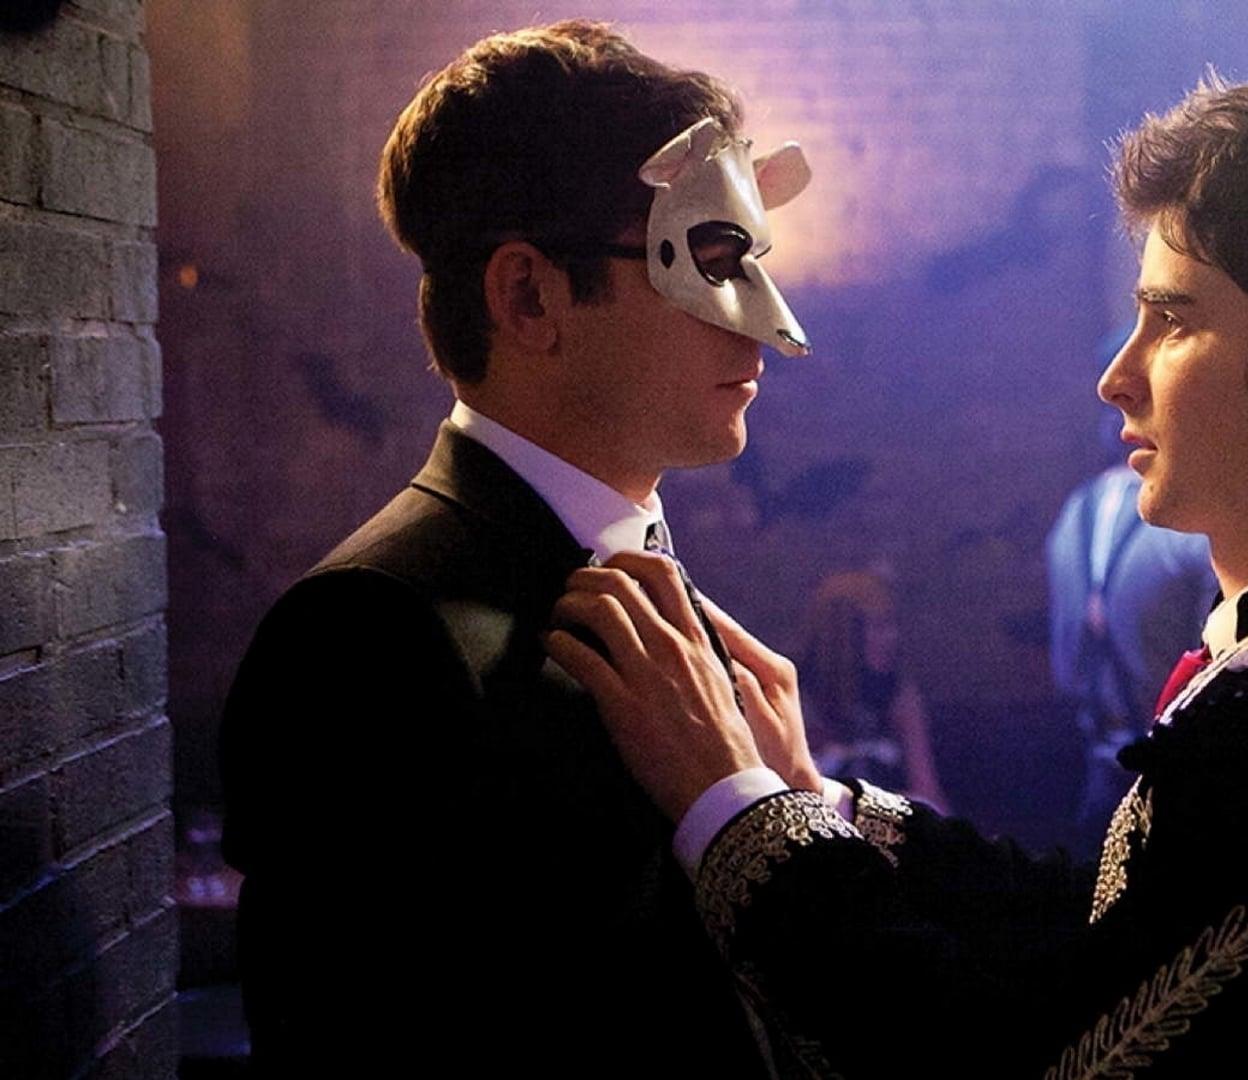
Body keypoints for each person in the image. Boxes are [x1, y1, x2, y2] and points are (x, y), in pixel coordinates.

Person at [550, 77, 1248, 1076]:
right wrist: (818, 802)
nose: (1115, 377)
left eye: (1172, 320)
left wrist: (733, 810)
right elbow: (1105, 931)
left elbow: (1036, 1054)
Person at [218, 21, 812, 1075]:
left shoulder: (642, 576)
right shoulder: (367, 635)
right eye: (709, 265)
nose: (765, 326)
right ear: (530, 296)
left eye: (751, 262)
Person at [1047, 453, 1213, 855]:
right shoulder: (1182, 516)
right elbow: (1214, 655)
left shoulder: (1072, 513)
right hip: (1180, 769)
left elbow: (1065, 663)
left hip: (1096, 759)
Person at [798, 570, 948, 807]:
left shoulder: (899, 694)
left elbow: (926, 788)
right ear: (843, 632)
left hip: (888, 818)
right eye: (879, 626)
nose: (892, 637)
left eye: (892, 624)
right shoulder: (797, 694)